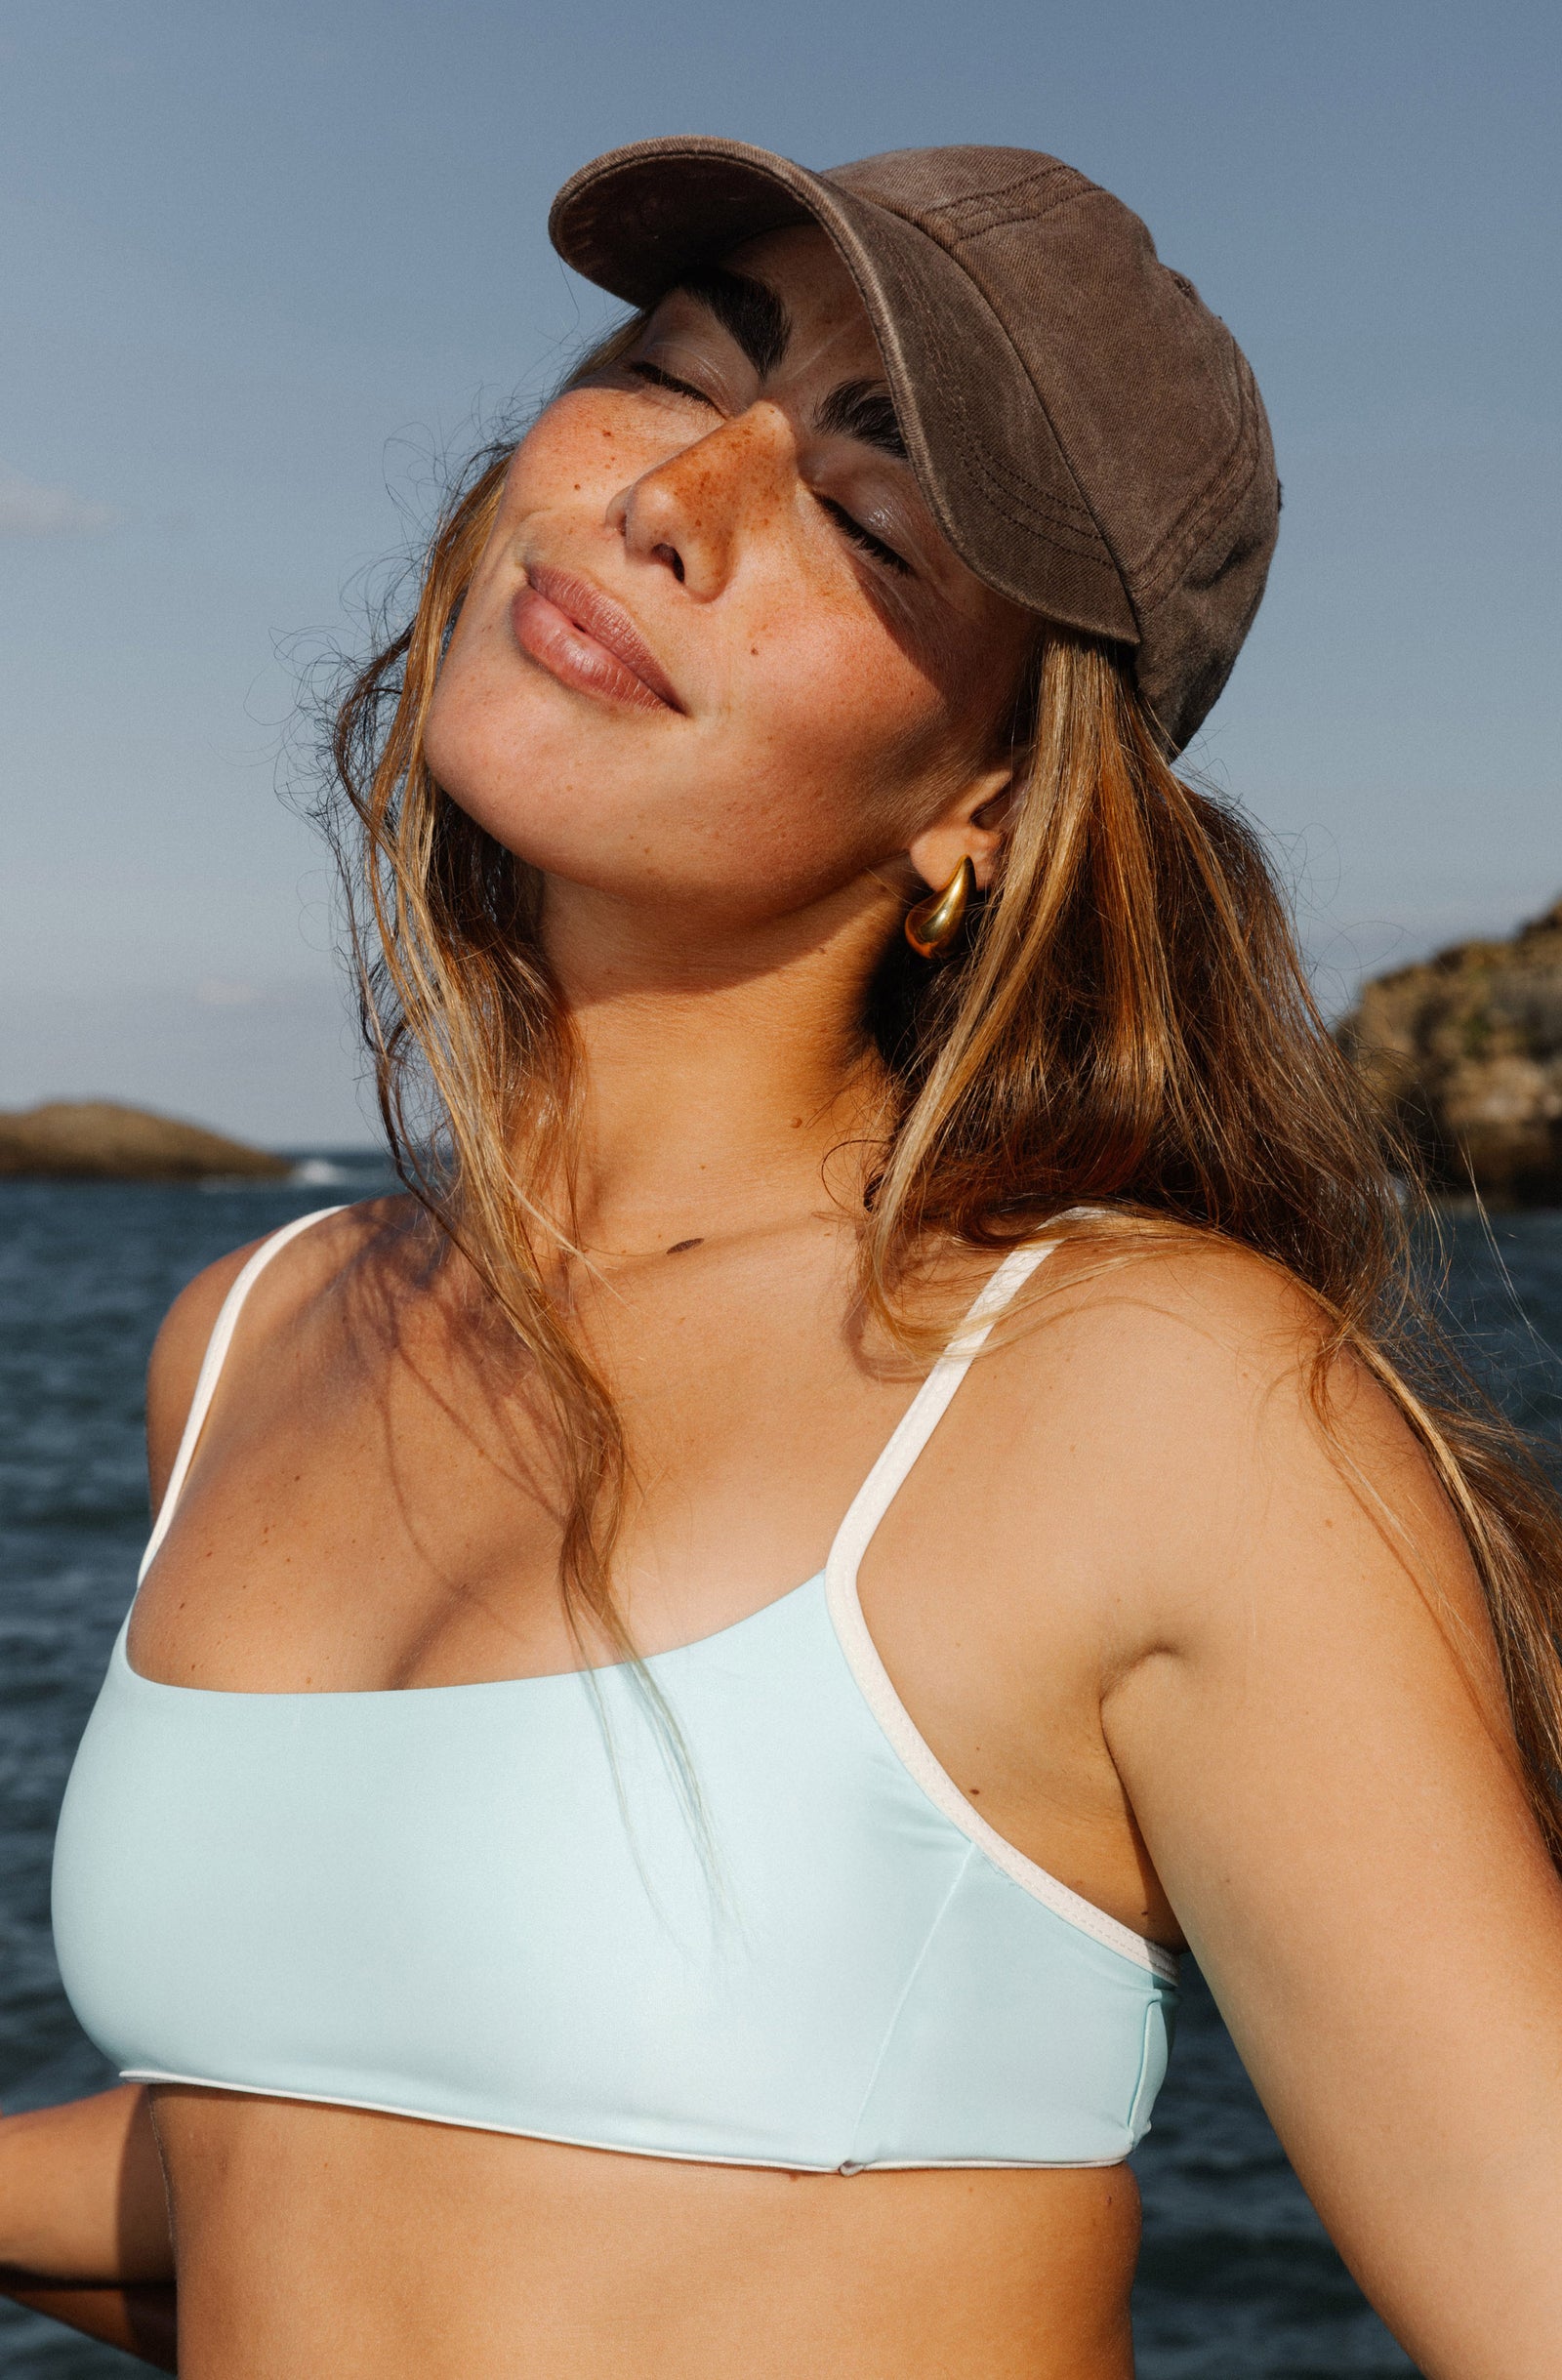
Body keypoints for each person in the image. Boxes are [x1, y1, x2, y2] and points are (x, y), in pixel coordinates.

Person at [3, 136, 1561, 2380]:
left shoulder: (1148, 1398)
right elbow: (317, 2171)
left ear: (985, 808)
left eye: (866, 511)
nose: (677, 494)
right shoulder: (249, 1333)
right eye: (667, 369)